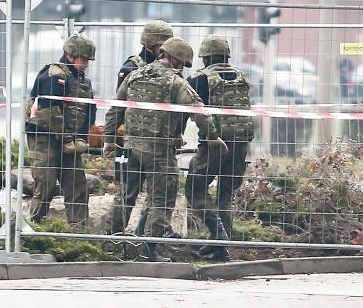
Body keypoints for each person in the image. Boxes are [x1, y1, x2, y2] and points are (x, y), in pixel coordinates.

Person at [103, 36, 227, 262]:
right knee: (162, 199)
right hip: (159, 151)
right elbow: (197, 110)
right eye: (182, 64)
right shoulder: (175, 83)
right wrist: (213, 137)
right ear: (175, 60)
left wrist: (109, 140)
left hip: (131, 147)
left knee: (125, 196)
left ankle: (111, 246)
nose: (182, 69)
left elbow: (115, 109)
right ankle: (147, 251)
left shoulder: (134, 75)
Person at [185, 35, 255, 261]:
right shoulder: (242, 77)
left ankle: (218, 235)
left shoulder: (200, 79)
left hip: (215, 144)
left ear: (204, 57)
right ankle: (221, 247)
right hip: (241, 143)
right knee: (225, 195)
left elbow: (190, 110)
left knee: (194, 188)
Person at [25, 33, 97, 224]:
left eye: (88, 60)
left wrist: (82, 138)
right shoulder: (53, 75)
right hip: (45, 138)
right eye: (83, 59)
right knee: (45, 183)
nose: (86, 64)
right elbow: (50, 111)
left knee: (78, 184)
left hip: (70, 141)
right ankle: (35, 228)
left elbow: (90, 110)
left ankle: (78, 230)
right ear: (70, 55)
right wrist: (67, 140)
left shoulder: (84, 82)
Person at [112, 20, 175, 233]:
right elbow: (118, 106)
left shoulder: (170, 69)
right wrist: (111, 140)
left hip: (160, 142)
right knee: (128, 192)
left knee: (157, 194)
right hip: (133, 140)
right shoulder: (131, 68)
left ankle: (144, 234)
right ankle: (115, 237)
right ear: (151, 44)